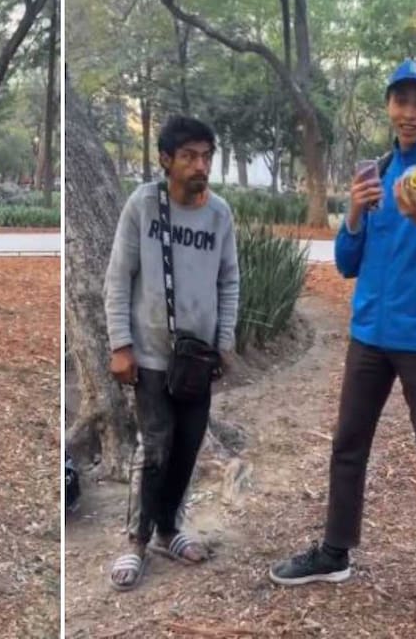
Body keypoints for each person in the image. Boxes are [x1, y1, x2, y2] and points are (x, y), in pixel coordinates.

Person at [268, 59, 416, 639]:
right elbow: (347, 264)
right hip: (370, 336)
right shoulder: (381, 168)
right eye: (400, 100)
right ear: (389, 106)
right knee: (347, 447)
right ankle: (336, 551)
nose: (409, 112)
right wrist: (353, 212)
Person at [103, 115, 239, 591]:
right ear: (166, 160)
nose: (200, 165)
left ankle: (169, 530)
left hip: (198, 359)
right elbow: (118, 278)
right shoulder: (144, 204)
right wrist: (120, 345)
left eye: (206, 156)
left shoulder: (220, 213)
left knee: (186, 447)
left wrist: (224, 342)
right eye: (189, 156)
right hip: (150, 354)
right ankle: (136, 539)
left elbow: (229, 280)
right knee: (155, 447)